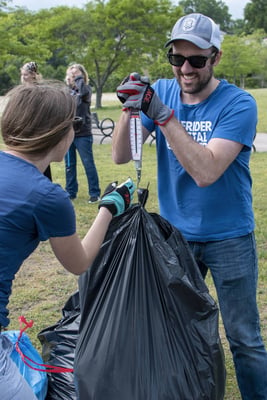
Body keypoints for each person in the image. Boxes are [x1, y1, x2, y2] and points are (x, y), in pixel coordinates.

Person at [112, 13, 267, 400]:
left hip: (229, 237)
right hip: (176, 237)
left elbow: (206, 171)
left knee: (243, 337)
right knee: (179, 330)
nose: (185, 68)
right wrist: (130, 108)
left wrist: (163, 115)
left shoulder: (238, 104)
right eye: (176, 58)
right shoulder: (163, 89)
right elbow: (117, 155)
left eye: (196, 60)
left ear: (215, 57)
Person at [0, 81, 135, 400]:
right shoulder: (47, 198)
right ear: (59, 134)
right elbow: (79, 262)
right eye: (74, 123)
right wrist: (109, 207)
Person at [64, 63, 101, 203]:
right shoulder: (67, 91)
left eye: (76, 72)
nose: (73, 74)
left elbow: (83, 95)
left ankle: (94, 193)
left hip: (83, 133)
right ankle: (70, 192)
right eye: (71, 72)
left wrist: (79, 79)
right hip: (68, 133)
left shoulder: (86, 90)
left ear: (82, 75)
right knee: (69, 164)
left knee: (88, 163)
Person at [20, 61, 52, 181]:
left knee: (42, 158)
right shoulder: (22, 91)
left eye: (26, 74)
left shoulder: (40, 90)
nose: (24, 77)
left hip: (38, 128)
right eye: (22, 74)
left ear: (33, 74)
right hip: (26, 128)